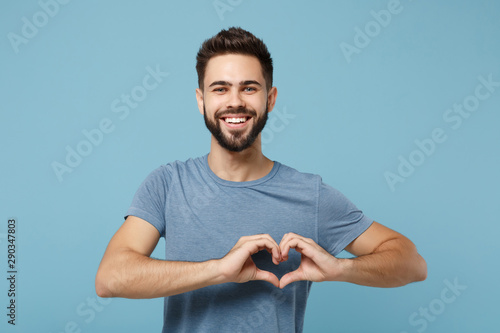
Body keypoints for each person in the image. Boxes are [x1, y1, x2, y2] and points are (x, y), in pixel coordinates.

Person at [95, 27, 427, 332]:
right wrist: (219, 269)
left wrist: (340, 269)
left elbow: (412, 264)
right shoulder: (167, 184)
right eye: (220, 88)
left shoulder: (309, 194)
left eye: (249, 88)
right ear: (201, 101)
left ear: (270, 99)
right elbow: (110, 278)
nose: (235, 101)